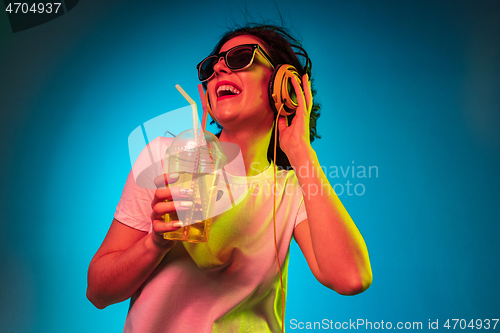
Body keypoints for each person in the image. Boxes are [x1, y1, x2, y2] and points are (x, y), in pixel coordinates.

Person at [87, 23, 372, 332]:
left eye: (240, 58)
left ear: (282, 85)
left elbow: (351, 278)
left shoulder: (293, 188)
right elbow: (98, 293)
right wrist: (156, 243)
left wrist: (300, 151)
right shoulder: (166, 159)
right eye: (212, 66)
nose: (219, 68)